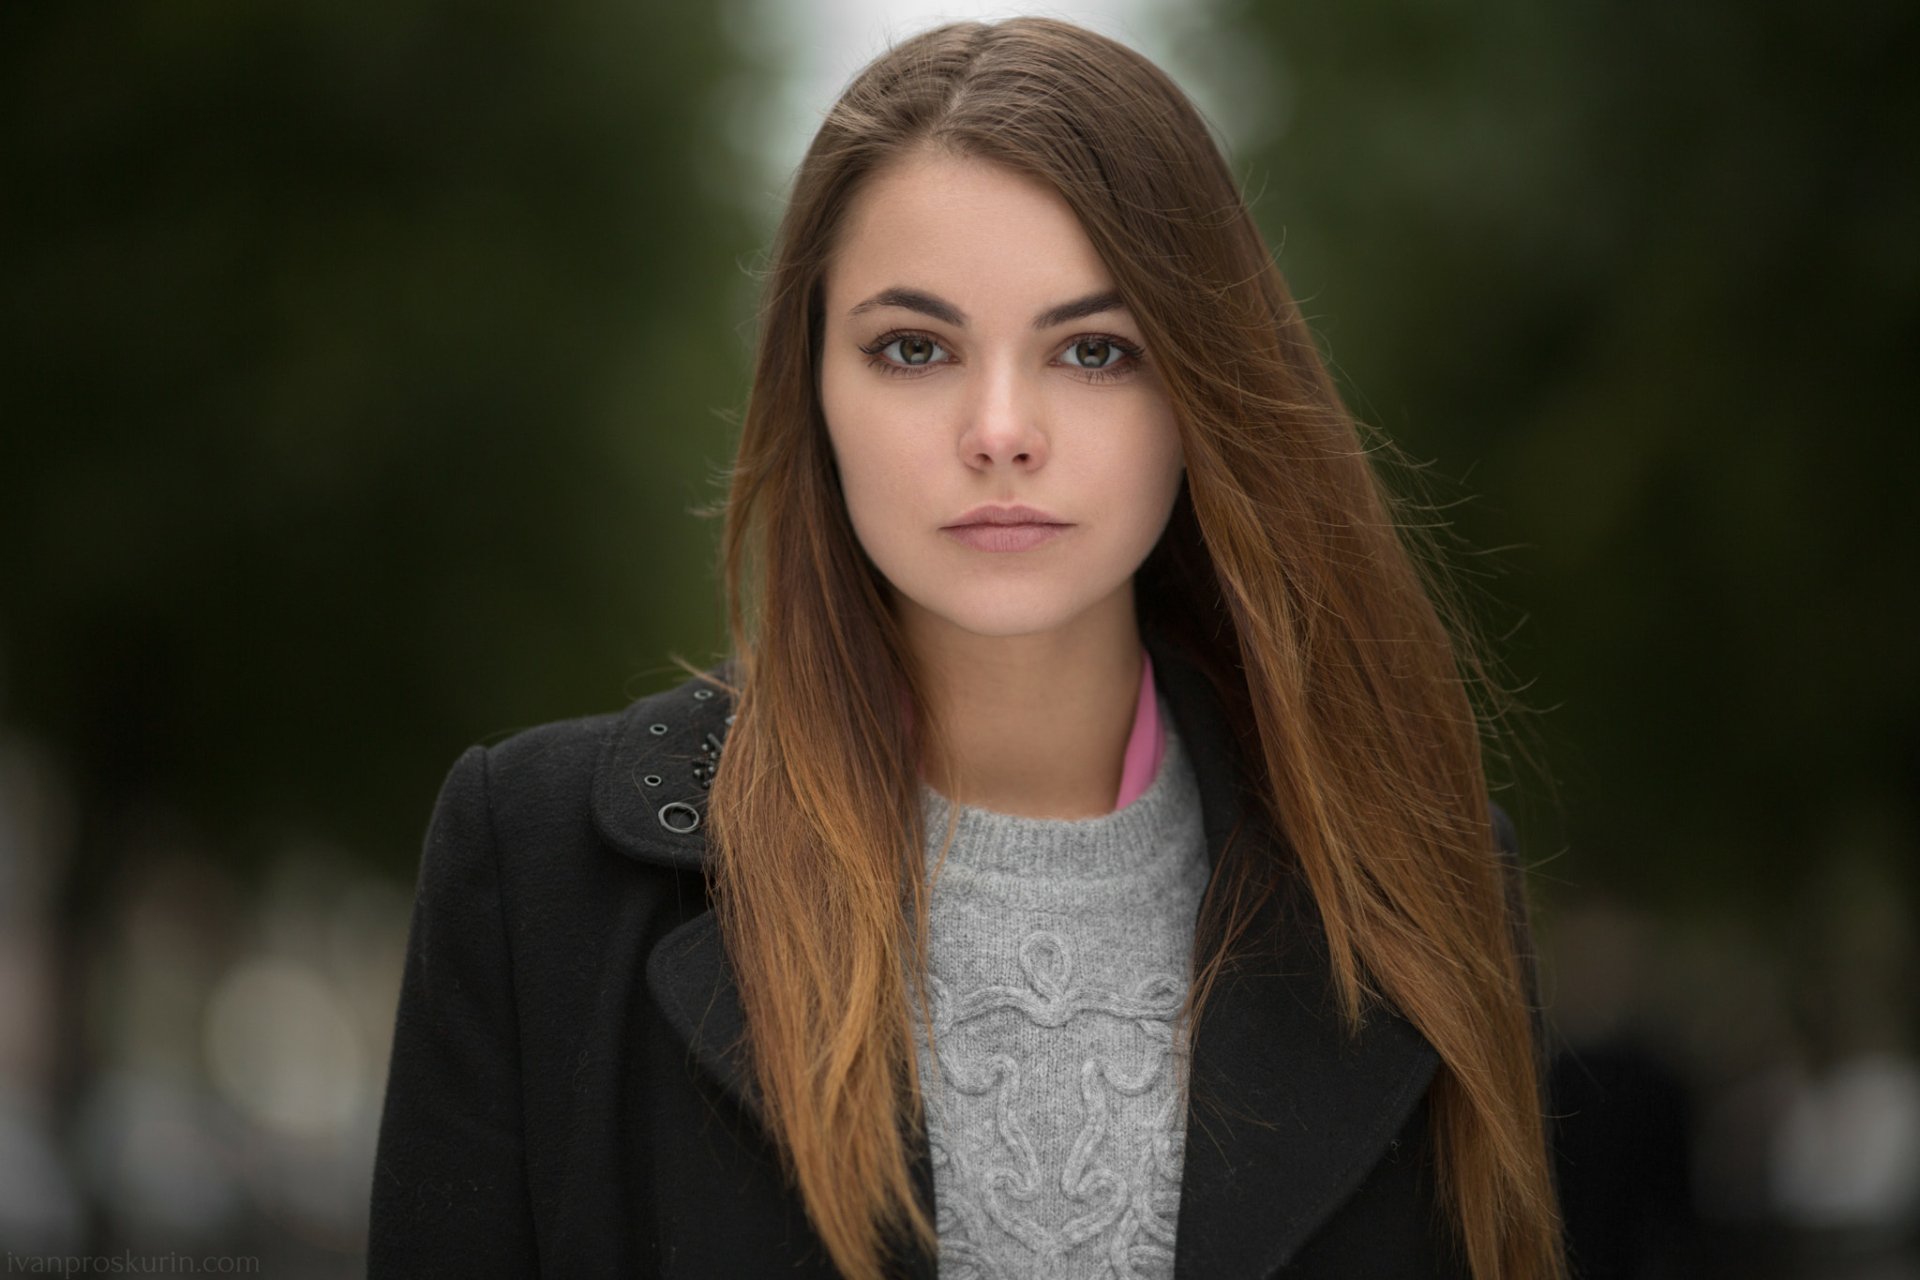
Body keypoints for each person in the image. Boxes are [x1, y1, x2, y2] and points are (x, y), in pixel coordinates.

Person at [367, 15, 1567, 1280]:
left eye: (1094, 349)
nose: (1001, 430)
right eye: (914, 348)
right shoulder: (538, 866)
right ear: (812, 389)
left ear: (1201, 393)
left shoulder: (1415, 880)